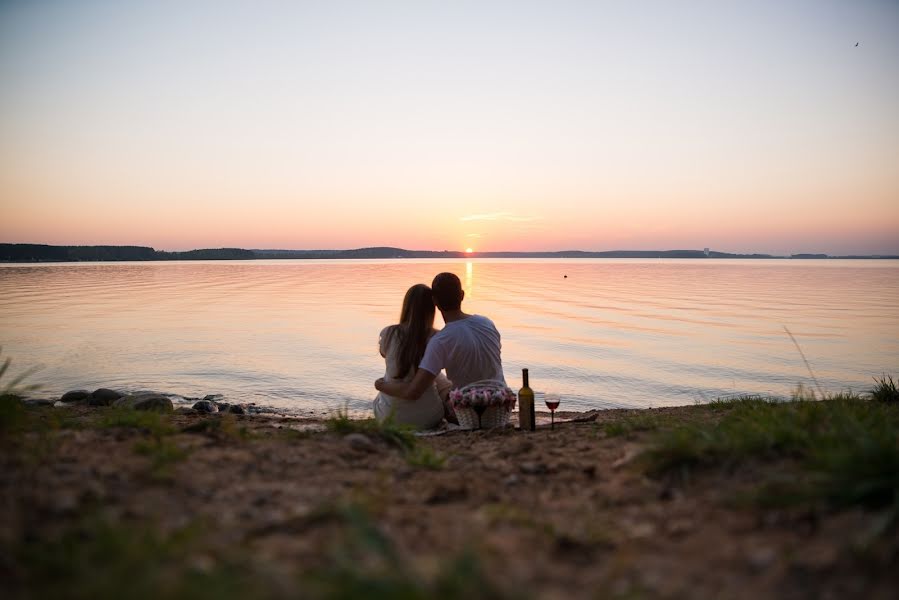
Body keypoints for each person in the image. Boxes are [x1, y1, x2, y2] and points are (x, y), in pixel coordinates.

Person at [375, 272, 504, 423]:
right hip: (501, 404)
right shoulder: (486, 323)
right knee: (437, 377)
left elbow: (413, 392)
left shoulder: (440, 340)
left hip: (470, 413)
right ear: (462, 295)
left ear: (435, 301)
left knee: (433, 377)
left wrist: (379, 384)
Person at [373, 283, 452, 429]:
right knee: (439, 379)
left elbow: (386, 356)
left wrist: (380, 385)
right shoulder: (437, 337)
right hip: (428, 418)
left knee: (391, 376)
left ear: (406, 306)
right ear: (431, 309)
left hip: (389, 417)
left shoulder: (388, 333)